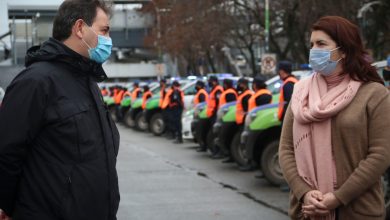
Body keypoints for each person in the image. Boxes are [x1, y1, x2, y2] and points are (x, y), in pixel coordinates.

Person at [0, 1, 120, 220]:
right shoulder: (36, 82)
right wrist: (8, 207)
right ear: (80, 28)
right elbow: (7, 153)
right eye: (104, 30)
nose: (108, 39)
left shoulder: (87, 82)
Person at [279, 16, 390, 219]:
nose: (314, 50)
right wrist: (304, 192)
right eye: (311, 44)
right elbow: (286, 150)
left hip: (357, 211)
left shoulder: (374, 93)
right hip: (307, 210)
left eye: (321, 44)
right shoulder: (300, 92)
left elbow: (380, 155)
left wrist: (338, 197)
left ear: (344, 50)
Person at [239, 76, 272, 171]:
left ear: (255, 85)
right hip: (254, 122)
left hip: (257, 124)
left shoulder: (262, 95)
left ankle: (254, 164)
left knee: (253, 144)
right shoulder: (259, 94)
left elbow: (261, 110)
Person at [220, 77, 253, 163]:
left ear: (245, 85)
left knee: (243, 142)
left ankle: (247, 161)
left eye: (240, 84)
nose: (238, 86)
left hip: (244, 122)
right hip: (240, 121)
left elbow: (247, 110)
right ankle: (233, 157)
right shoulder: (242, 94)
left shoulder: (247, 95)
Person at [211, 78, 238, 159]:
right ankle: (223, 152)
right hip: (222, 116)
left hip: (226, 117)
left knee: (222, 135)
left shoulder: (230, 93)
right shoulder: (226, 92)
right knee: (219, 135)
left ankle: (223, 153)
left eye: (225, 84)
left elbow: (231, 106)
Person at [196, 76, 223, 152]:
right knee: (210, 133)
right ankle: (213, 149)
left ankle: (217, 151)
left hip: (215, 114)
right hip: (211, 114)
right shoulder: (213, 89)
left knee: (215, 134)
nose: (209, 83)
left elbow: (218, 102)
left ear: (215, 81)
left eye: (210, 81)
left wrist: (214, 111)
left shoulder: (218, 90)